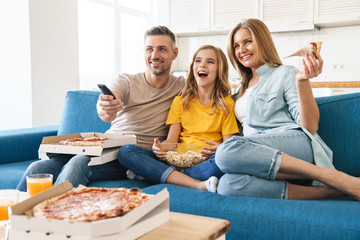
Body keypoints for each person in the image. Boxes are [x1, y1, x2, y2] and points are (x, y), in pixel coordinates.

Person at [16, 26, 185, 191]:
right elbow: (106, 109)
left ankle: (53, 215)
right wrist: (107, 107)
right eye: (149, 49)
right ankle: (13, 218)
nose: (154, 55)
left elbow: (207, 86)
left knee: (78, 163)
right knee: (37, 168)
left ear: (174, 53)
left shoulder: (182, 86)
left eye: (162, 49)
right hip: (105, 149)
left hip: (133, 157)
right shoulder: (126, 80)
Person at [214, 18, 360, 201]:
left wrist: (302, 80)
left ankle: (329, 176)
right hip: (260, 155)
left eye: (248, 42)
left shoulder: (285, 73)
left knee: (225, 152)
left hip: (294, 144)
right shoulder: (238, 91)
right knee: (228, 185)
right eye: (236, 46)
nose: (241, 50)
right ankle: (333, 190)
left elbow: (310, 126)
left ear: (262, 41)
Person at [118, 45, 239, 192]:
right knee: (126, 151)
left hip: (207, 162)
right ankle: (194, 183)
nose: (202, 65)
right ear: (193, 67)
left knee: (223, 163)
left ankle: (159, 176)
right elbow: (172, 141)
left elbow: (229, 148)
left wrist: (218, 149)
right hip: (178, 160)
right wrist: (160, 147)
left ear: (220, 70)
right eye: (198, 61)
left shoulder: (226, 104)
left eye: (210, 62)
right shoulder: (181, 101)